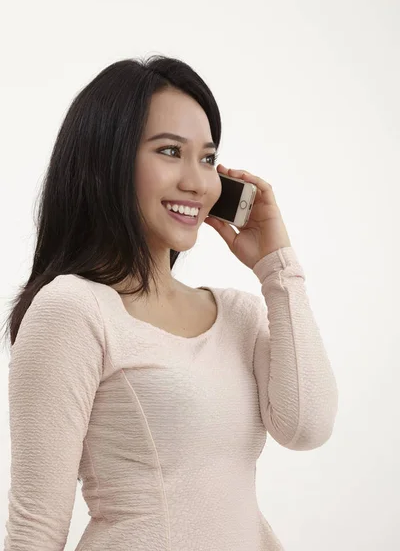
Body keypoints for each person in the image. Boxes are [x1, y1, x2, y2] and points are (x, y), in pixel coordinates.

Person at [2, 56, 338, 551]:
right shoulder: (73, 310)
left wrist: (278, 268)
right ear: (108, 160)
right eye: (169, 151)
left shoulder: (240, 315)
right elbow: (35, 528)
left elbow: (307, 426)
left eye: (207, 158)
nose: (198, 182)